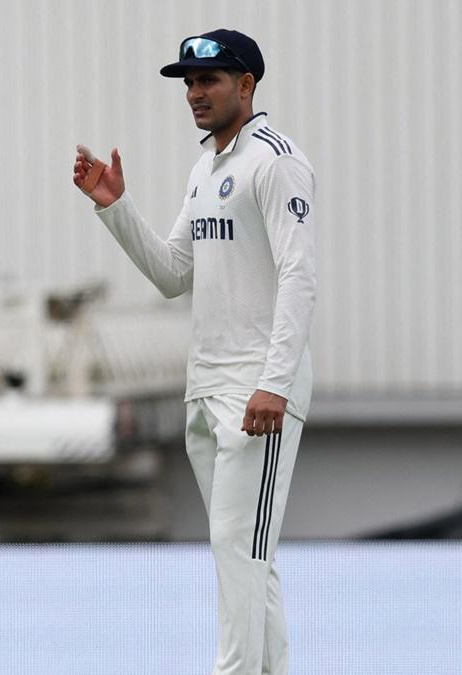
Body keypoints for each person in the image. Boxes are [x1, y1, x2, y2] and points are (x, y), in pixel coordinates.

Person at [73, 29, 316, 675]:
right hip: (206, 384)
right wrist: (116, 209)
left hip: (258, 389)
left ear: (246, 84)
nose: (193, 93)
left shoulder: (275, 160)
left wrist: (275, 383)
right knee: (243, 555)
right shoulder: (205, 167)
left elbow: (299, 275)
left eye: (207, 79)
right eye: (187, 81)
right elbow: (172, 272)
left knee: (240, 548)